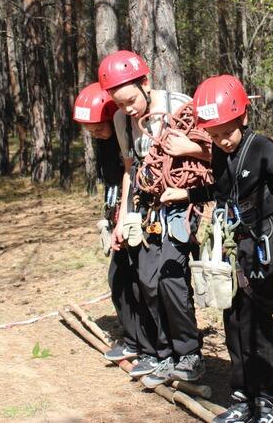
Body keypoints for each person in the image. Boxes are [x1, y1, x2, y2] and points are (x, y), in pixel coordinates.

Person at [161, 74, 273, 423]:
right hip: (230, 246)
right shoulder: (219, 150)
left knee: (256, 323)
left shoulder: (260, 148)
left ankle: (268, 402)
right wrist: (187, 194)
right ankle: (242, 399)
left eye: (226, 133)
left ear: (243, 118)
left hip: (260, 245)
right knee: (232, 321)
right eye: (213, 136)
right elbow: (221, 191)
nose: (221, 142)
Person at [97, 50, 208, 387]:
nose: (128, 109)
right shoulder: (121, 121)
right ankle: (162, 353)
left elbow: (216, 150)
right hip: (147, 206)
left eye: (131, 100)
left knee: (170, 277)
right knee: (147, 279)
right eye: (120, 103)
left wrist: (185, 148)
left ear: (145, 83)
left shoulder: (181, 105)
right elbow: (130, 168)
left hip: (181, 202)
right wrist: (123, 218)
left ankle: (189, 354)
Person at [72, 82, 139, 363]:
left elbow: (129, 176)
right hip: (116, 213)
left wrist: (127, 216)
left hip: (135, 215)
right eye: (90, 131)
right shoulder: (104, 142)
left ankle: (145, 339)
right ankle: (133, 337)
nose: (96, 134)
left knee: (135, 278)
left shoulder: (127, 137)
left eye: (99, 128)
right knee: (118, 277)